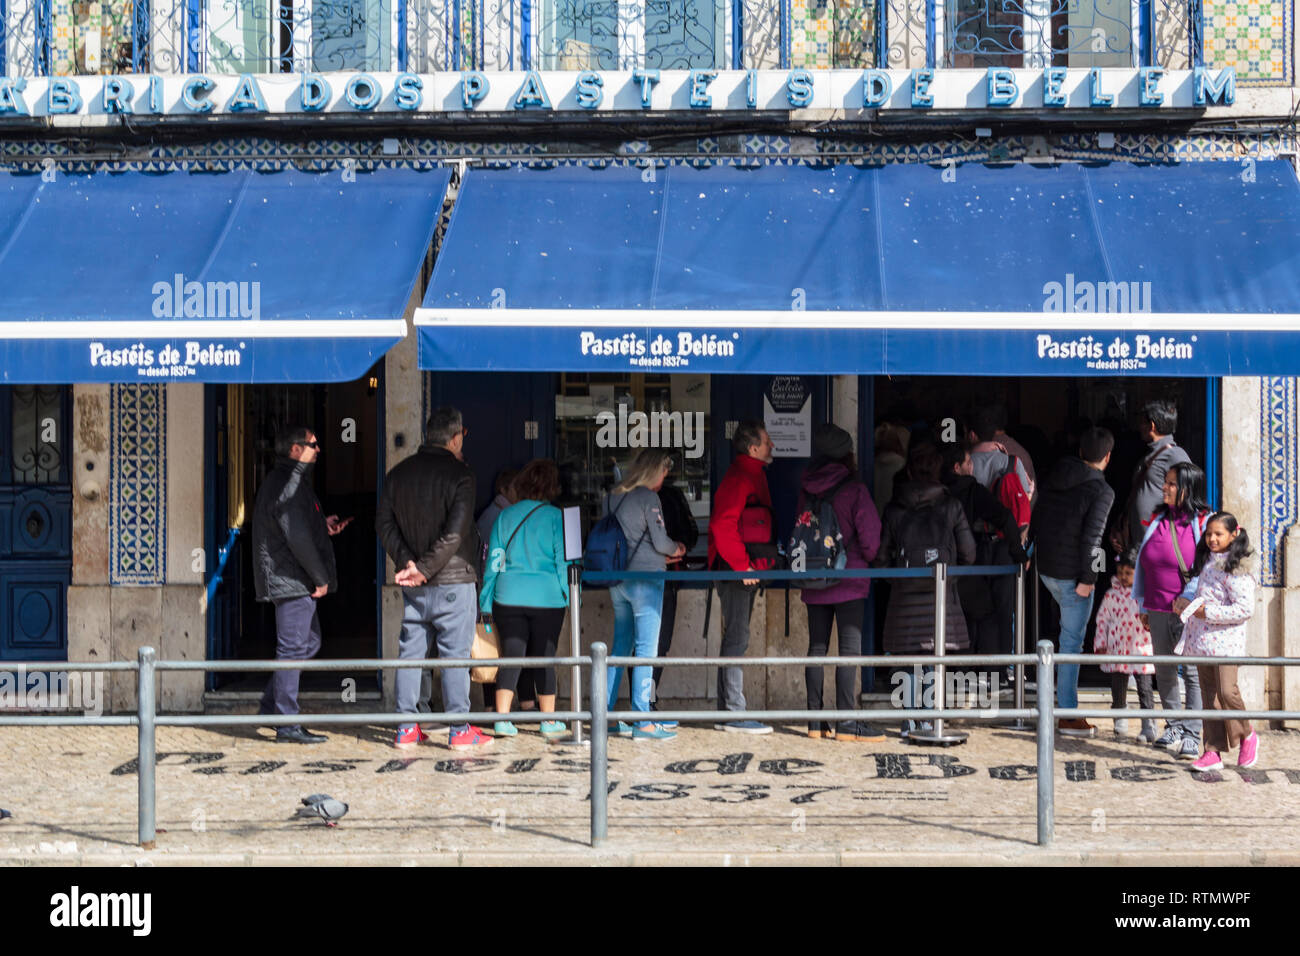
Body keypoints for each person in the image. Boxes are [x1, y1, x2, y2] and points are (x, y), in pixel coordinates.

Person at [376, 406, 490, 752]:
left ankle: (406, 728)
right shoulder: (461, 475)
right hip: (453, 581)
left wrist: (410, 563)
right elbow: (455, 534)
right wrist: (423, 568)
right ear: (455, 437)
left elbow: (383, 525)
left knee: (410, 654)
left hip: (415, 584)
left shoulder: (397, 474)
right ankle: (459, 729)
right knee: (454, 655)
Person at [253, 425, 351, 744]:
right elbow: (296, 537)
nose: (318, 449)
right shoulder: (287, 483)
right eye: (313, 444)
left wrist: (323, 526)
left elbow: (297, 527)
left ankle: (272, 707)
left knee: (307, 643)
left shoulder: (290, 481)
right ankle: (286, 723)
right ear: (295, 449)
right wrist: (320, 578)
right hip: (293, 579)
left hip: (293, 576)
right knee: (294, 648)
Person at [874, 443, 975, 737]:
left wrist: (899, 582)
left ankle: (909, 721)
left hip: (904, 599)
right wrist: (950, 579)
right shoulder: (952, 506)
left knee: (908, 658)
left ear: (907, 470)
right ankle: (930, 720)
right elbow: (969, 554)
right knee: (933, 658)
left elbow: (881, 558)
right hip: (940, 597)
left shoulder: (894, 508)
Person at [796, 424, 882, 742]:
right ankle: (846, 722)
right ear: (847, 454)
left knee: (817, 648)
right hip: (849, 580)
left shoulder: (806, 488)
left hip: (815, 576)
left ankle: (815, 722)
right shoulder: (855, 490)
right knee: (848, 650)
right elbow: (871, 542)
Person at [1029, 426, 1115, 738]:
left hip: (1047, 568)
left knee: (1059, 637)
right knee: (1071, 643)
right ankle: (1066, 714)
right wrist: (1088, 579)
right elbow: (1094, 538)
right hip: (1072, 578)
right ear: (1107, 457)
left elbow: (1037, 514)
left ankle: (1054, 704)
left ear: (1080, 452)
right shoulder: (1102, 491)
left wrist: (1030, 551)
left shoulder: (1055, 475)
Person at [479, 459, 570, 740]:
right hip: (548, 598)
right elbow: (564, 561)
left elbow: (494, 560)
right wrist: (569, 593)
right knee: (545, 657)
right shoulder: (557, 518)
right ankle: (547, 720)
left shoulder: (506, 516)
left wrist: (485, 599)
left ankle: (502, 720)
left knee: (511, 656)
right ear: (551, 486)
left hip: (508, 596)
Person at [1132, 462, 1212, 760]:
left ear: (1187, 489)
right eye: (1166, 482)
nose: (1164, 488)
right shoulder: (1158, 518)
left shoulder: (1204, 523)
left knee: (1191, 672)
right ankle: (1174, 725)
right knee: (1164, 669)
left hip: (1187, 610)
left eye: (1171, 484)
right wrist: (1142, 604)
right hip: (1156, 605)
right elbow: (1144, 562)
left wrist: (1189, 599)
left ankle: (1192, 733)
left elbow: (1209, 567)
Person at [604, 449, 686, 741]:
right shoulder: (649, 498)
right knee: (646, 650)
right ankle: (643, 722)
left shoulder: (612, 495)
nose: (665, 477)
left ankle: (608, 716)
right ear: (654, 471)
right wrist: (678, 548)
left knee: (619, 648)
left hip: (617, 579)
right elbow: (661, 542)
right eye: (664, 472)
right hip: (646, 580)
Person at [1175, 512, 1258, 772]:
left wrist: (1207, 613)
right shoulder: (1207, 562)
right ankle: (1212, 751)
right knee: (1209, 696)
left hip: (1227, 643)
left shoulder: (1238, 568)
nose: (1212, 539)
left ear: (1234, 535)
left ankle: (1247, 735)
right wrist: (1186, 602)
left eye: (1218, 534)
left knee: (1227, 691)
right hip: (1202, 640)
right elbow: (1200, 591)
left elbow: (1244, 609)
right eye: (1209, 534)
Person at [708, 419, 776, 734]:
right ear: (752, 448)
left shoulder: (752, 476)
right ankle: (734, 713)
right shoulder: (740, 479)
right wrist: (742, 566)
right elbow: (723, 525)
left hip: (742, 568)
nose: (771, 445)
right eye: (766, 441)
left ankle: (729, 711)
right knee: (737, 637)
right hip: (736, 570)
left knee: (737, 636)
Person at [940, 442, 1027, 681]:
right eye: (969, 462)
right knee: (984, 614)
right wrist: (1018, 552)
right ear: (957, 467)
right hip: (965, 566)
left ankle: (954, 674)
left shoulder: (936, 490)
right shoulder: (972, 490)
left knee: (951, 618)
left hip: (935, 567)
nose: (972, 467)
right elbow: (1005, 517)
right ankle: (992, 673)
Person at [650, 468, 699, 725]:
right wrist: (678, 548)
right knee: (657, 643)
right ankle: (645, 704)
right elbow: (689, 533)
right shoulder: (665, 497)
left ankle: (642, 704)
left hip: (632, 578)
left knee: (638, 645)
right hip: (664, 576)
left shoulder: (627, 497)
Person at [1092, 550, 1157, 741]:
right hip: (1118, 648)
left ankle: (1148, 724)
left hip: (1141, 648)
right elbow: (1102, 620)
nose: (1123, 577)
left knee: (1145, 688)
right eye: (1120, 572)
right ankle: (1119, 719)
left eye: (1128, 573)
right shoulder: (1111, 595)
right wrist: (1101, 643)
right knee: (1118, 686)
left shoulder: (1146, 594)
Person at [1114, 399, 1191, 552]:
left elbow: (1188, 498)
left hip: (1158, 544)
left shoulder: (1176, 455)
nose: (1139, 427)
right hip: (1141, 542)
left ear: (1152, 426)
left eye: (1142, 423)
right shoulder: (1149, 455)